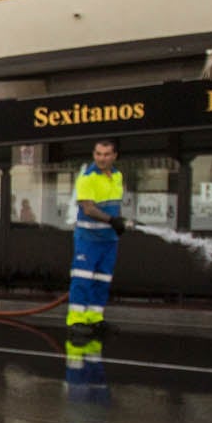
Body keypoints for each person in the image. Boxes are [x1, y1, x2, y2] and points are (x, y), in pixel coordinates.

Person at [68, 138, 124, 334]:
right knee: (82, 279)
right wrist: (112, 221)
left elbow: (113, 204)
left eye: (106, 154)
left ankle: (94, 318)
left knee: (102, 280)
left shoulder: (117, 176)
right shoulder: (87, 178)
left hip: (108, 240)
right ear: (94, 155)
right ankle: (76, 321)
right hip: (88, 240)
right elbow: (89, 209)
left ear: (114, 156)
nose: (102, 158)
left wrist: (119, 222)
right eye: (98, 154)